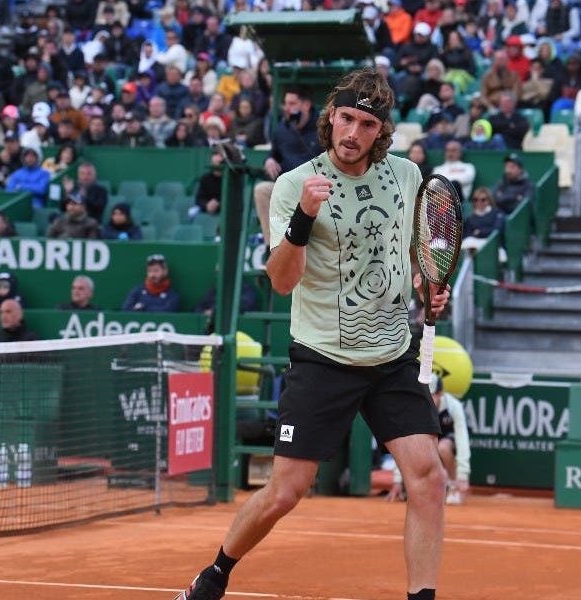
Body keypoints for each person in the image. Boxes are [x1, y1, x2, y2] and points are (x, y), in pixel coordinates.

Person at [174, 68, 450, 600]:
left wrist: (428, 287)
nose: (353, 132)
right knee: (285, 492)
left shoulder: (408, 178)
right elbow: (281, 282)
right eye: (346, 118)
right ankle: (215, 575)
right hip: (324, 356)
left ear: (381, 130)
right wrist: (304, 218)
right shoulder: (294, 185)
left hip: (393, 353)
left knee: (428, 478)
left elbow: (417, 256)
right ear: (330, 118)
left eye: (366, 124)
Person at [387, 374, 470, 506]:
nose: (427, 400)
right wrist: (397, 480)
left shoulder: (454, 407)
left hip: (447, 446)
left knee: (442, 447)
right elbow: (404, 442)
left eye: (431, 395)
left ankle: (454, 486)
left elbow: (462, 440)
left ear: (441, 393)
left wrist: (462, 476)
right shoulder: (416, 409)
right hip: (429, 444)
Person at [253, 87, 322, 244]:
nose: (287, 108)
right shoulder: (281, 130)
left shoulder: (322, 129)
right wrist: (269, 160)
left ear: (306, 105)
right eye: (286, 104)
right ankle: (272, 246)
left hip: (313, 188)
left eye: (292, 103)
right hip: (286, 187)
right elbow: (273, 154)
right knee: (262, 189)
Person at [461, 187, 506, 255]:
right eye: (476, 200)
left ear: (489, 200)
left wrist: (480, 232)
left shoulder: (497, 213)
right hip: (472, 247)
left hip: (492, 245)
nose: (479, 202)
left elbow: (497, 230)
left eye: (483, 200)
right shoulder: (470, 218)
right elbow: (467, 235)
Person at [195, 151, 224, 215]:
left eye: (218, 163)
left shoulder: (231, 180)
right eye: (214, 164)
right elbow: (199, 199)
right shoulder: (205, 179)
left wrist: (218, 204)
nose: (216, 167)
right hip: (208, 212)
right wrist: (206, 205)